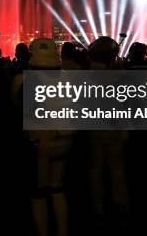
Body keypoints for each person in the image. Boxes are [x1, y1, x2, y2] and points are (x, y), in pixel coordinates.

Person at [14, 38, 72, 236]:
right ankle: (63, 230)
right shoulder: (69, 77)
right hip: (66, 139)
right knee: (57, 188)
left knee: (38, 192)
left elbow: (16, 105)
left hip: (41, 141)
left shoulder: (24, 79)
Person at [86, 37, 129, 225]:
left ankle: (98, 208)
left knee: (95, 168)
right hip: (115, 128)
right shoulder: (119, 77)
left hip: (94, 128)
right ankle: (121, 204)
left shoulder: (86, 77)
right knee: (117, 167)